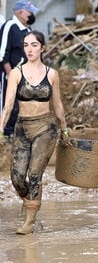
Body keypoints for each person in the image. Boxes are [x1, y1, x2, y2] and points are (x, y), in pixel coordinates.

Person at [0, 30, 69, 235]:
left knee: (35, 173)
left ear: (42, 48)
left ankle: (29, 221)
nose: (29, 49)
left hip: (46, 127)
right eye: (26, 45)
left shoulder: (51, 74)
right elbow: (8, 104)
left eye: (34, 45)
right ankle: (30, 201)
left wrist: (64, 129)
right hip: (22, 127)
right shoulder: (16, 73)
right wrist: (1, 128)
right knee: (17, 177)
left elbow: (57, 104)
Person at [0, 0, 38, 137]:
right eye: (30, 12)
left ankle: (17, 133)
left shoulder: (28, 30)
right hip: (10, 75)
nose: (32, 15)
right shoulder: (10, 26)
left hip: (26, 75)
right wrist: (10, 74)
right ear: (21, 12)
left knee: (22, 105)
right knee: (9, 104)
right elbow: (3, 53)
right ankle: (5, 133)